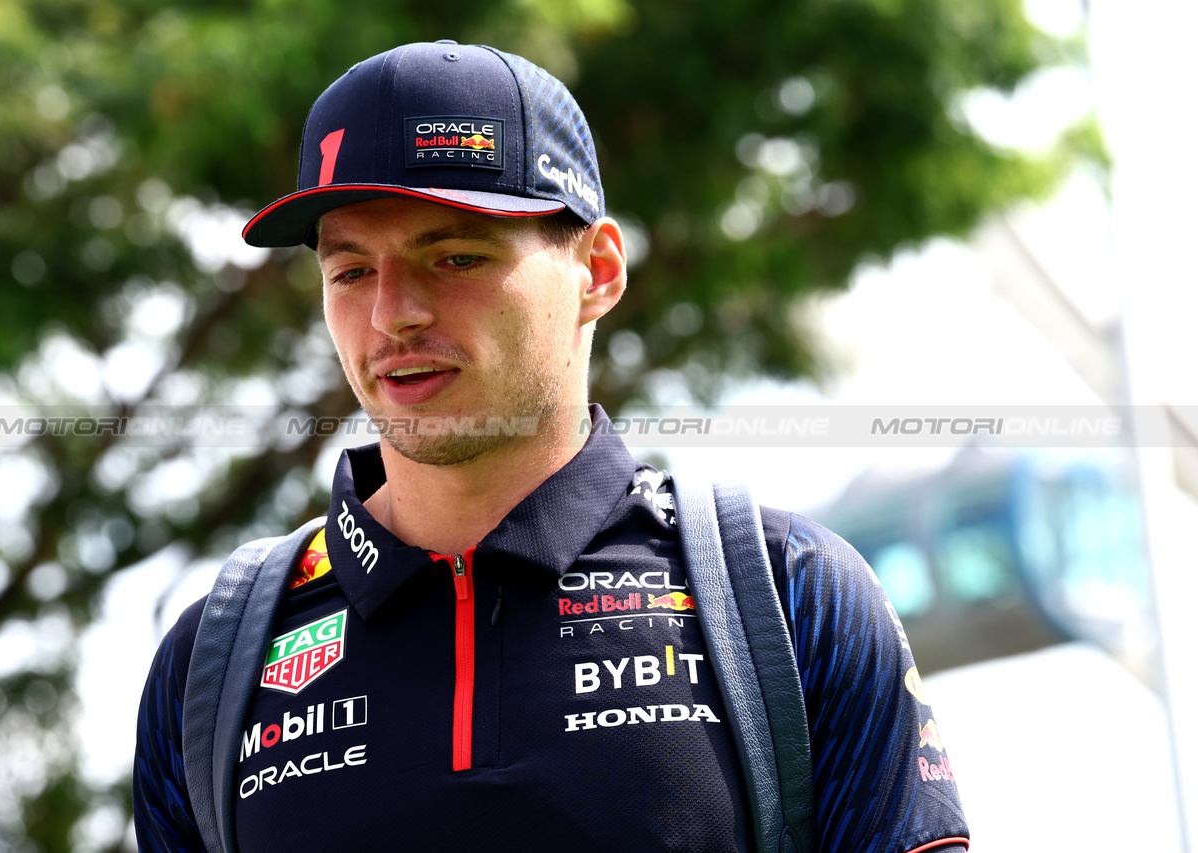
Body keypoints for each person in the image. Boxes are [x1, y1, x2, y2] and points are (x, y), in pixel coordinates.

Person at [133, 40, 970, 853]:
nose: (393, 315)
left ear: (598, 270)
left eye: (455, 255)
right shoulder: (212, 662)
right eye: (351, 272)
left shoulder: (789, 597)